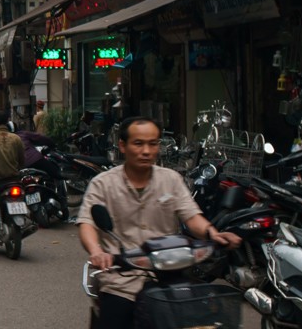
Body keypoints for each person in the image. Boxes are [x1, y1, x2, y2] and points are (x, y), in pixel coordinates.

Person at [78, 117, 241, 329]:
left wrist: (213, 234)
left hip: (170, 276)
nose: (146, 151)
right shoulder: (103, 183)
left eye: (153, 144)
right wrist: (96, 251)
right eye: (138, 144)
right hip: (121, 281)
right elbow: (87, 223)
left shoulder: (171, 180)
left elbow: (192, 217)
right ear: (123, 146)